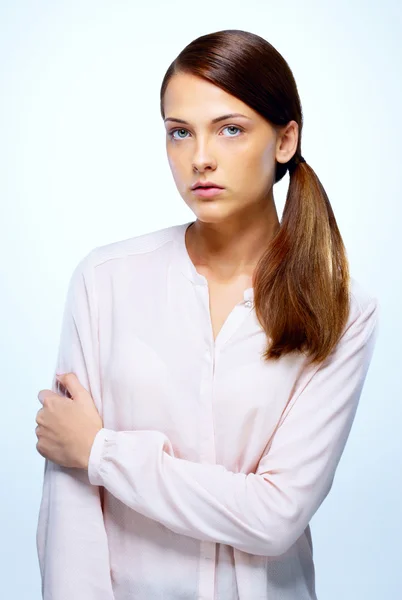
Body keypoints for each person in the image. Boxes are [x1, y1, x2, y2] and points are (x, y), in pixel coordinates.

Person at [35, 29, 379, 599]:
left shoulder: (341, 308)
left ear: (285, 139)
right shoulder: (105, 281)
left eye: (231, 129)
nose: (199, 158)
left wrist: (101, 451)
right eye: (179, 133)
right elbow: (71, 518)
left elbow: (274, 516)